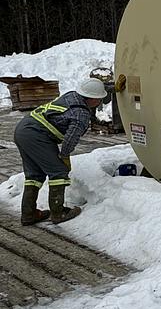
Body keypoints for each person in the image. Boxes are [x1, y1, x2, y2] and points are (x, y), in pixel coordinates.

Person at [13, 78, 108, 225]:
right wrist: (64, 156)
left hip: (23, 129)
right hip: (37, 134)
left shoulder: (72, 96)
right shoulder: (81, 114)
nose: (101, 101)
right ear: (92, 99)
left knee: (34, 175)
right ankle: (58, 213)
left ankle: (29, 214)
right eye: (100, 98)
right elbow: (70, 140)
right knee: (58, 172)